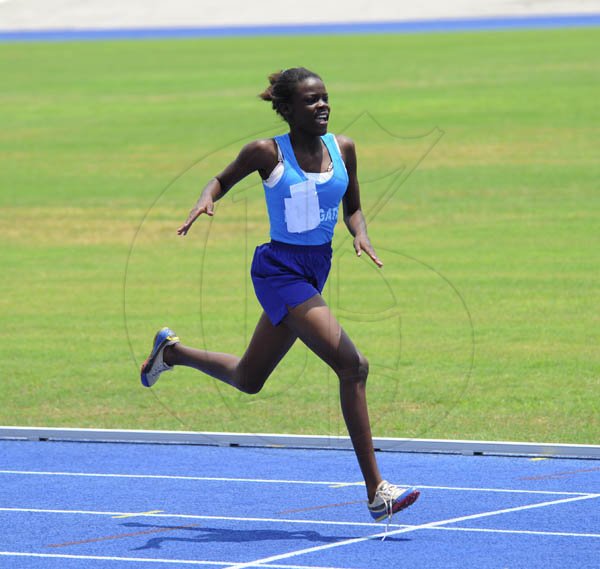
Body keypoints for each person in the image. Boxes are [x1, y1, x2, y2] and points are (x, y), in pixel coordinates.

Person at [140, 67, 419, 522]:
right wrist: (204, 200)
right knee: (353, 366)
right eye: (311, 101)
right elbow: (220, 180)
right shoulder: (266, 152)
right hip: (279, 272)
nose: (323, 105)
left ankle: (171, 354)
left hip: (314, 272)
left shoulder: (343, 148)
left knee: (250, 378)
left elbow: (354, 208)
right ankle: (377, 492)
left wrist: (360, 234)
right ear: (287, 110)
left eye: (325, 97)